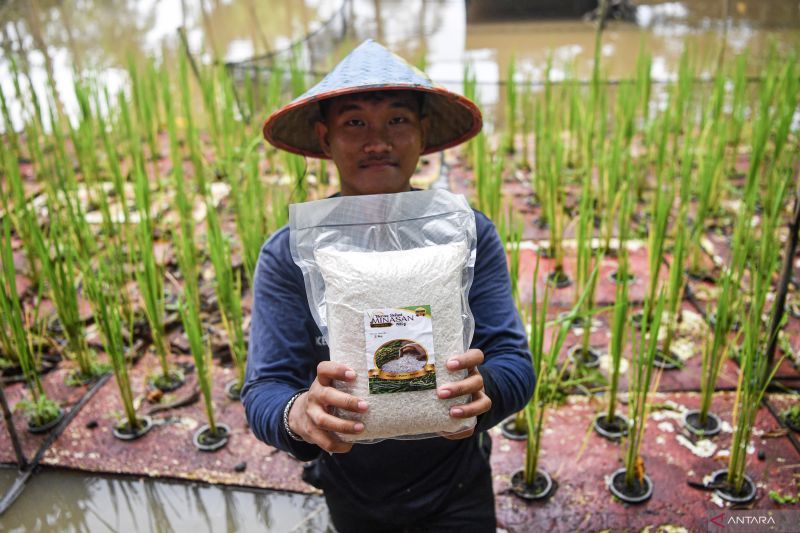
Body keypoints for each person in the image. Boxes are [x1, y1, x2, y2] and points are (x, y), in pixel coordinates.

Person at [242, 39, 534, 532]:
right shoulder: (289, 252)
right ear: (325, 136)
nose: (377, 141)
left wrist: (487, 390)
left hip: (457, 484)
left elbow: (513, 361)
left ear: (423, 132)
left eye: (397, 120)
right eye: (355, 123)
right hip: (352, 486)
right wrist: (301, 415)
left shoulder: (467, 234)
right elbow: (264, 389)